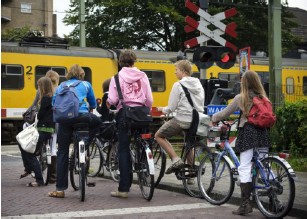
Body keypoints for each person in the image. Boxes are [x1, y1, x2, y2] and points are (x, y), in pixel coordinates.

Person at [211, 70, 271, 215]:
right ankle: (274, 201)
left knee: (244, 167)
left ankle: (245, 205)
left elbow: (224, 113)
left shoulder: (241, 98)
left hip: (249, 132)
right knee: (264, 166)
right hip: (263, 133)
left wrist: (213, 118)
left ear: (245, 82)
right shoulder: (264, 97)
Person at [48, 64, 101, 198]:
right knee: (97, 123)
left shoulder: (61, 86)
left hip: (65, 120)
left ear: (68, 74)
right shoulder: (86, 85)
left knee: (62, 151)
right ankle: (85, 145)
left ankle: (60, 189)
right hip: (82, 117)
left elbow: (54, 104)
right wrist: (90, 107)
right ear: (81, 74)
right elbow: (93, 103)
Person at [107, 50, 153, 198]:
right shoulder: (143, 75)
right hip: (141, 114)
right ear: (134, 61)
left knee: (124, 150)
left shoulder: (116, 77)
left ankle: (124, 189)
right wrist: (145, 109)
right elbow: (149, 99)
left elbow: (113, 100)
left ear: (120, 62)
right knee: (144, 141)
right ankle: (145, 169)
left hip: (124, 115)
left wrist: (109, 105)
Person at [154, 60, 204, 179]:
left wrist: (162, 109)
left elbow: (171, 107)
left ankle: (176, 159)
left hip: (183, 120)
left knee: (159, 135)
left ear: (182, 71)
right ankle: (191, 173)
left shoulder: (178, 85)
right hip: (196, 120)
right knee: (189, 143)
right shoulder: (198, 84)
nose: (175, 73)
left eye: (176, 70)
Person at [19, 70, 59, 184]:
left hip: (44, 127)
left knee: (26, 146)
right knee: (53, 149)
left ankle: (33, 172)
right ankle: (53, 176)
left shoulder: (44, 96)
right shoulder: (57, 91)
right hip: (55, 125)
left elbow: (36, 109)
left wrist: (29, 113)